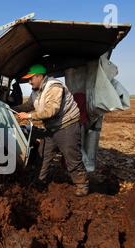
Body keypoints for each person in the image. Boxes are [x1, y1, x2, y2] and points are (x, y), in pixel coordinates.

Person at [12, 64, 89, 197]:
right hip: (51, 127)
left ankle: (82, 185)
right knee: (43, 154)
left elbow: (51, 111)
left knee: (72, 156)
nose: (29, 82)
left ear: (40, 76)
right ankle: (39, 182)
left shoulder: (54, 87)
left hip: (66, 125)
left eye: (31, 79)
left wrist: (29, 116)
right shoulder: (36, 90)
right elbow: (29, 105)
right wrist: (13, 108)